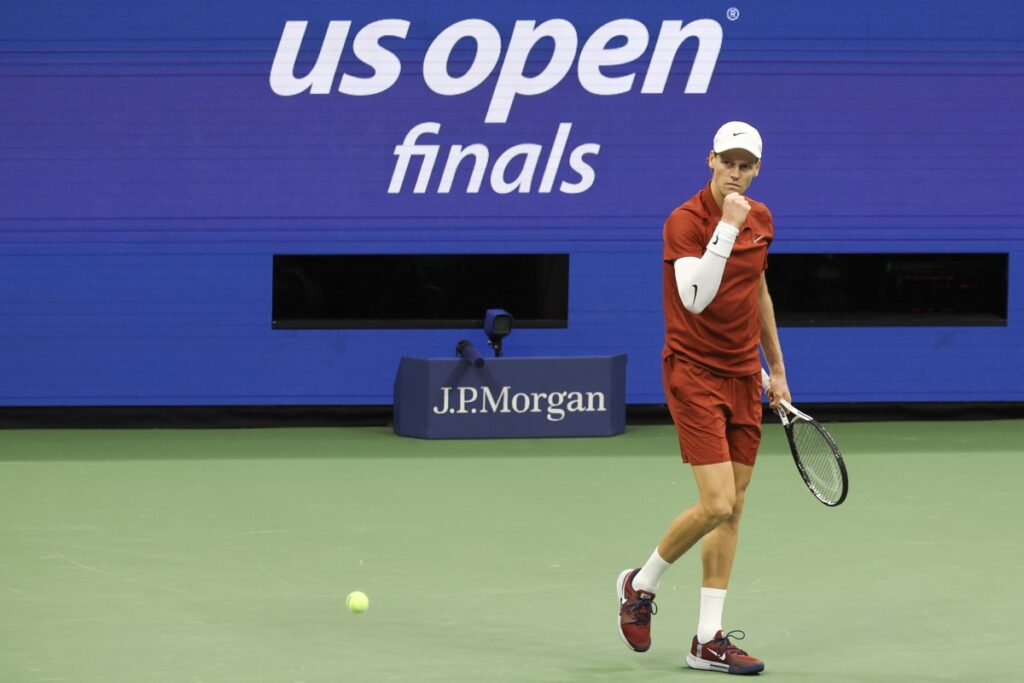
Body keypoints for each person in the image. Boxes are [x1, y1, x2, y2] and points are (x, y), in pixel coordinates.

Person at [616, 121, 790, 675]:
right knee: (715, 503)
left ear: (757, 168)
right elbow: (694, 297)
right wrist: (727, 228)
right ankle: (638, 584)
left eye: (746, 165)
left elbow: (757, 287)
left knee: (733, 509)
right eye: (728, 162)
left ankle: (707, 639)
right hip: (692, 372)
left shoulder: (761, 219)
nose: (736, 173)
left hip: (743, 375)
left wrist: (775, 368)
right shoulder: (685, 221)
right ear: (710, 160)